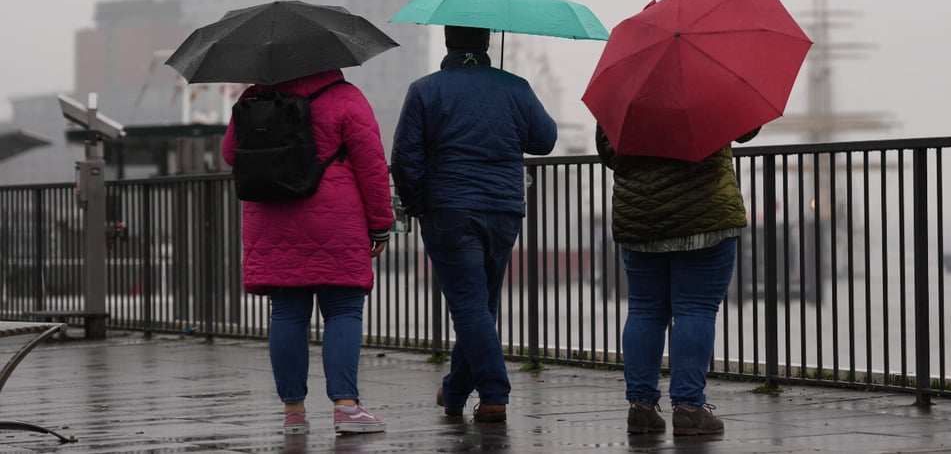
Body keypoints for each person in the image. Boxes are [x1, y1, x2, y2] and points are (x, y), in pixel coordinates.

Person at [390, 25, 557, 422]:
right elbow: (545, 139)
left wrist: (417, 206)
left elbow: (404, 157)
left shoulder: (425, 89)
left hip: (449, 209)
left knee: (468, 305)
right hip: (503, 210)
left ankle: (495, 394)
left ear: (448, 42)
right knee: (481, 305)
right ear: (485, 44)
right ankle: (454, 391)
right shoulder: (515, 86)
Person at [221, 68, 393, 436]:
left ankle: (293, 412)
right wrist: (381, 222)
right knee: (344, 309)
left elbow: (229, 154)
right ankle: (346, 406)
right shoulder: (346, 97)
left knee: (286, 313)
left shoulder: (254, 98)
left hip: (272, 217)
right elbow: (372, 165)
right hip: (336, 220)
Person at [595, 123, 760, 436]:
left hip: (640, 218)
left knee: (644, 309)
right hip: (705, 214)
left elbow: (609, 153)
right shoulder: (708, 80)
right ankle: (688, 408)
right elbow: (745, 129)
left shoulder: (627, 86)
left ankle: (640, 408)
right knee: (695, 309)